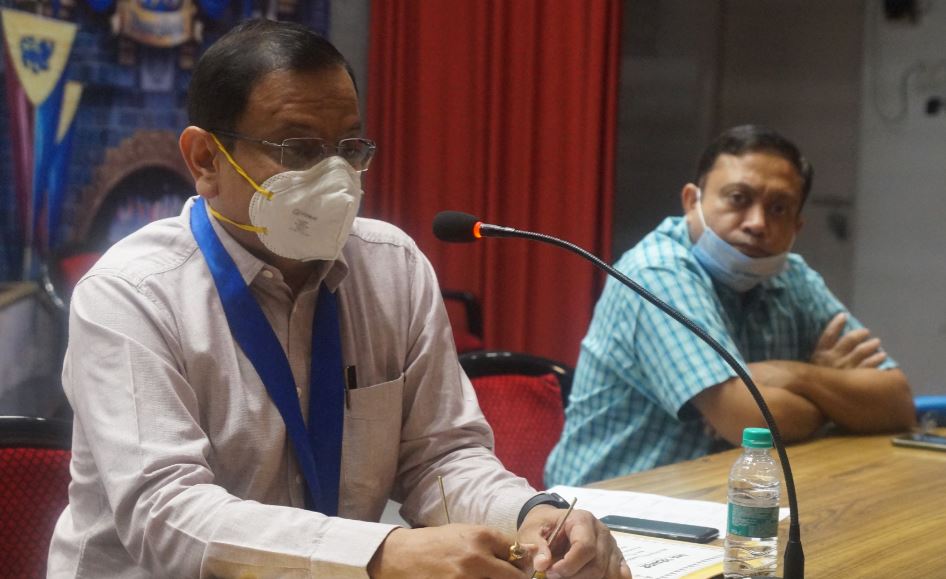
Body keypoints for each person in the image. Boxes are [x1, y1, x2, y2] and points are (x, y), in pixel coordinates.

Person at [47, 19, 630, 578]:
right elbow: (166, 513)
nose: (334, 176)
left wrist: (530, 516)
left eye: (349, 148)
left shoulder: (393, 268)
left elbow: (441, 458)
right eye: (298, 148)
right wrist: (378, 556)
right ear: (206, 159)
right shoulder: (131, 294)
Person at [545, 124, 916, 486]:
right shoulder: (656, 272)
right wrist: (838, 402)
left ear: (797, 227)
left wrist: (798, 375)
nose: (757, 223)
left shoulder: (793, 276)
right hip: (605, 506)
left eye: (779, 208)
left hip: (723, 495)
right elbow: (747, 422)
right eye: (739, 198)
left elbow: (897, 404)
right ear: (692, 202)